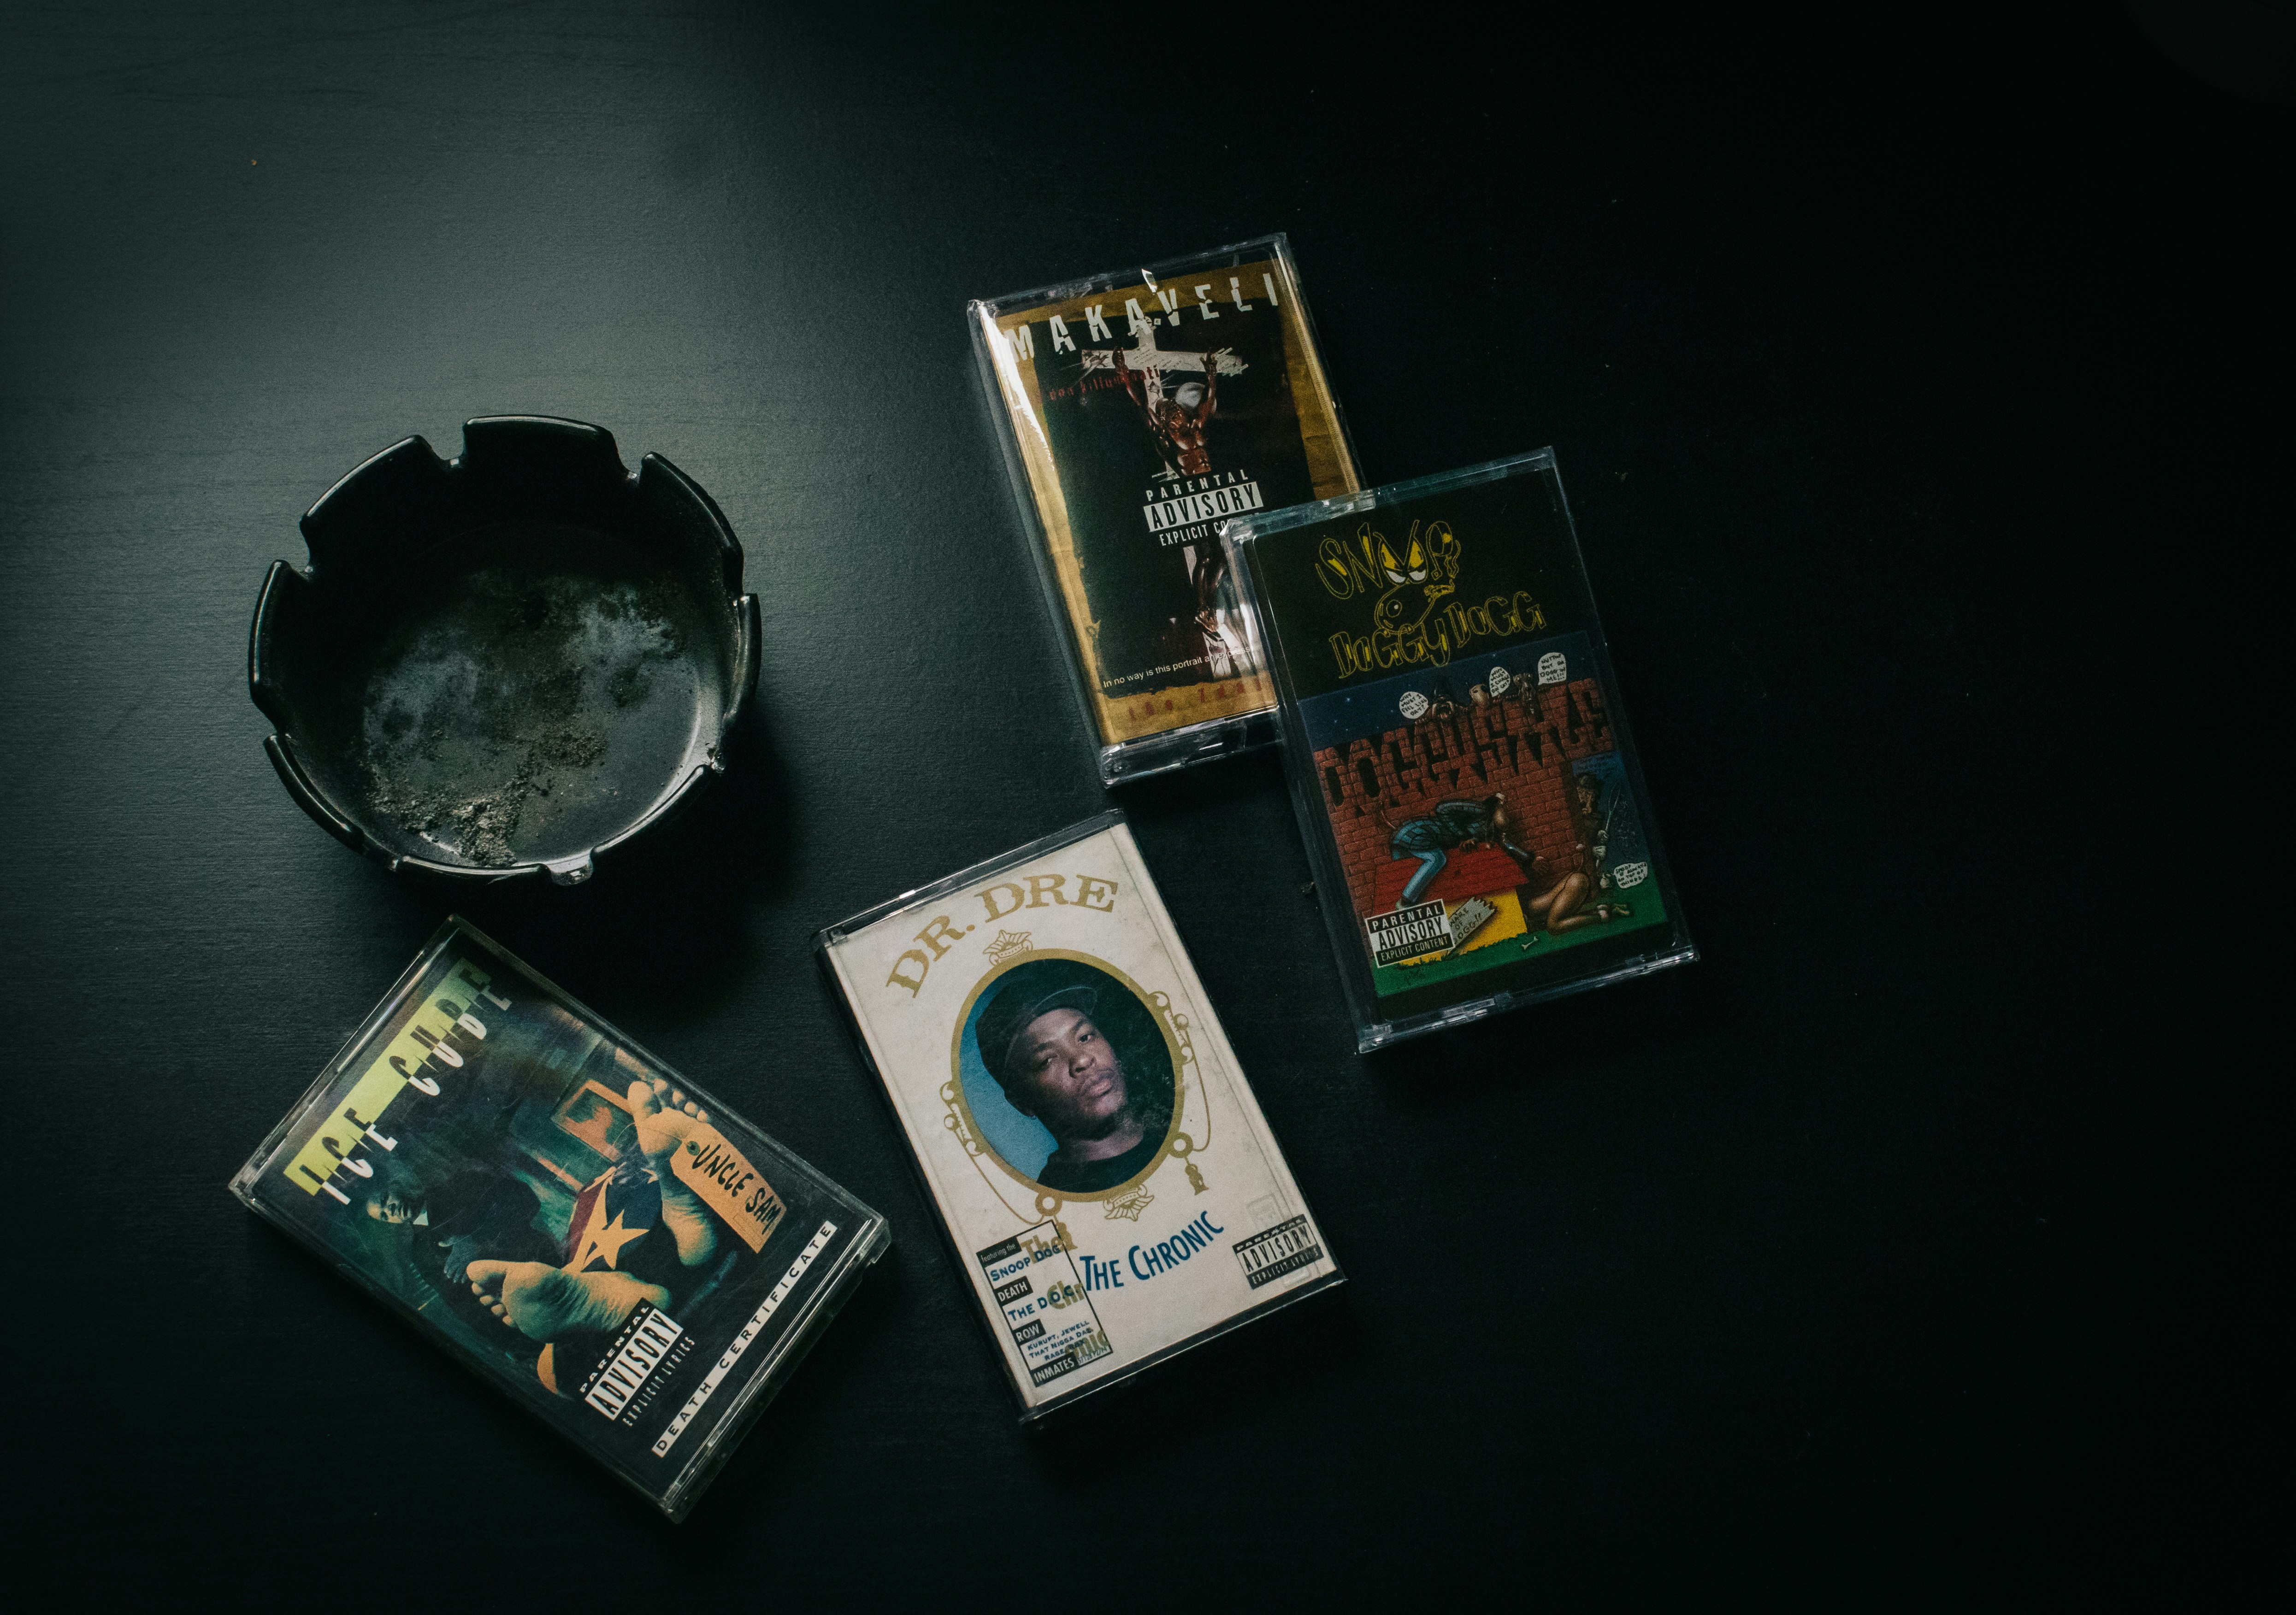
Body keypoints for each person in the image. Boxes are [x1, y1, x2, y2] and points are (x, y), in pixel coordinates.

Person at [975, 970, 1164, 1196]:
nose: (1082, 1060)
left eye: (1085, 1037)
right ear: (1021, 1102)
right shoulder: (1059, 1202)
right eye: (1047, 1060)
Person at [1387, 793, 1539, 906]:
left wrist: (1531, 859)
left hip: (1413, 840)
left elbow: (1507, 843)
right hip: (1420, 832)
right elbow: (1442, 809)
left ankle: (1406, 903)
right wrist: (1463, 836)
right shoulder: (1482, 810)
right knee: (1437, 859)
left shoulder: (1491, 831)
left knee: (1400, 875)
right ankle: (1406, 902)